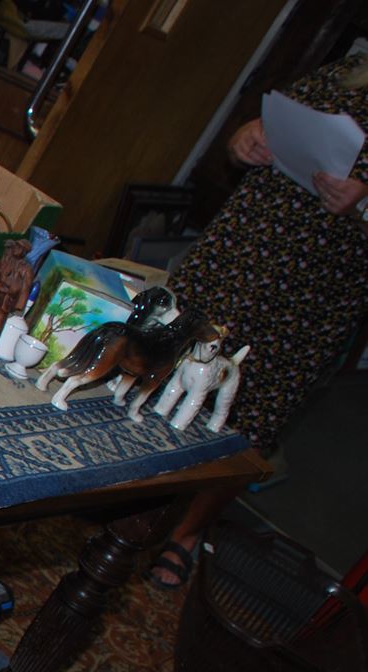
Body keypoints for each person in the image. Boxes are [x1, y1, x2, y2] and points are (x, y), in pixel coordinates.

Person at [150, 53, 368, 588]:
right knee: (165, 352)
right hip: (242, 246)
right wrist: (245, 139)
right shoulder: (346, 71)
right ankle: (115, 490)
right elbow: (276, 129)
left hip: (317, 286)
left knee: (252, 405)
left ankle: (186, 532)